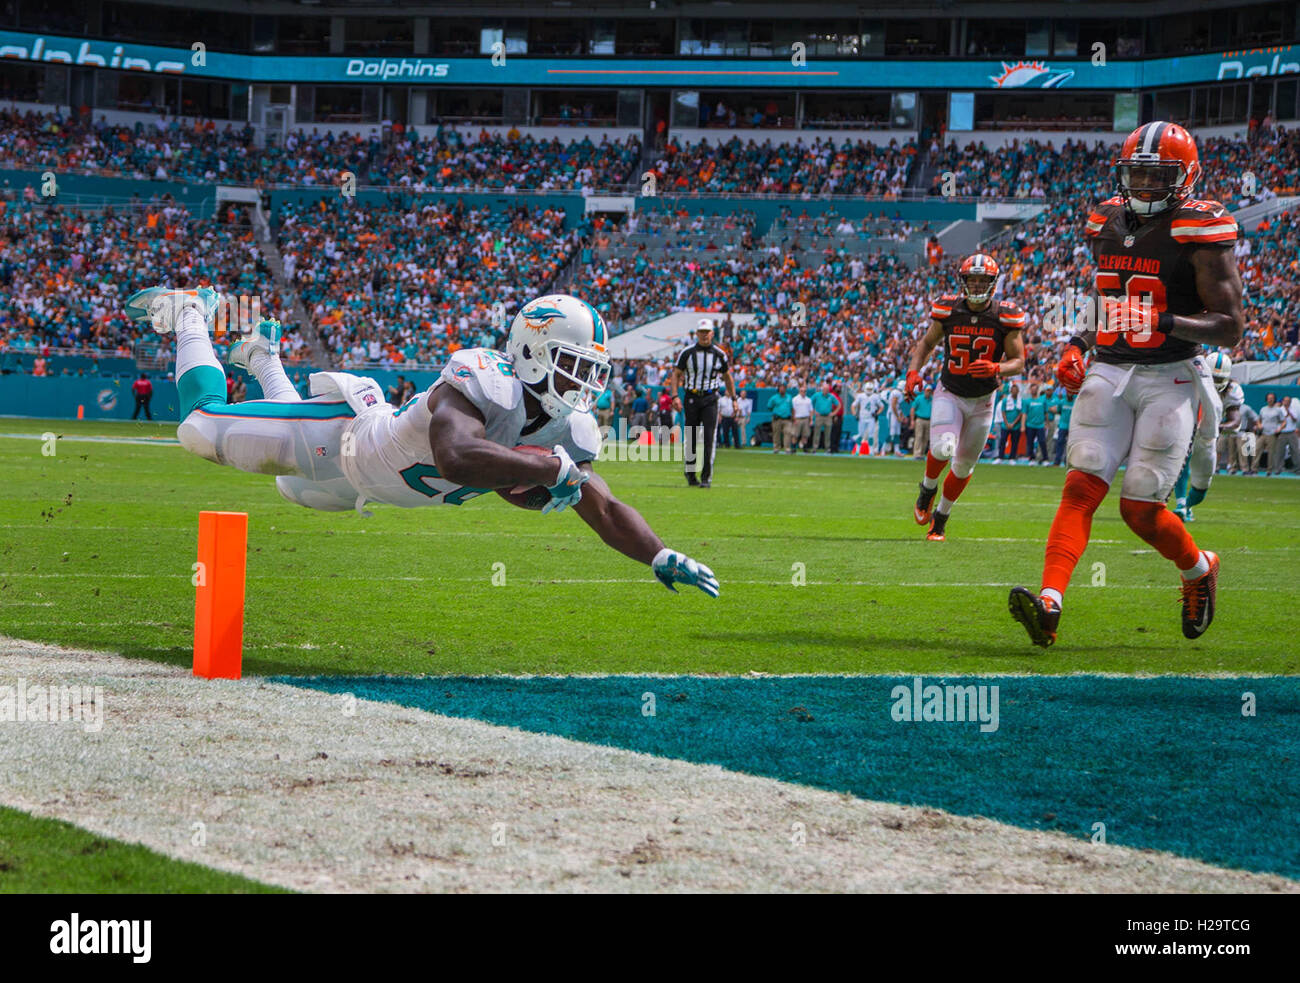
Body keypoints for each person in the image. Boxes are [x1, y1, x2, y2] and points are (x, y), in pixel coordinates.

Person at [125, 288, 718, 598]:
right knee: (199, 429)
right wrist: (543, 471)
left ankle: (262, 357)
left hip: (360, 490)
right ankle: (192, 315)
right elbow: (457, 455)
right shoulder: (484, 378)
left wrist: (659, 555)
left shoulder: (568, 430)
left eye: (592, 368)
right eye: (571, 364)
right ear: (532, 352)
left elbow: (604, 505)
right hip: (342, 439)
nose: (585, 382)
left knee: (285, 487)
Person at [1010, 121, 1242, 647]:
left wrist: (1164, 322)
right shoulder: (1105, 221)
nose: (1143, 185)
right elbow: (1107, 299)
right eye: (1136, 173)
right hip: (1111, 367)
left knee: (1139, 506)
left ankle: (1198, 568)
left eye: (1157, 176)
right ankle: (1050, 604)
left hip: (1171, 374)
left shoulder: (1201, 231)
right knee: (1081, 483)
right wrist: (1078, 342)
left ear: (1185, 177)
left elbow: (1231, 326)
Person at [906, 252, 1026, 541]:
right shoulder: (949, 310)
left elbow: (1019, 361)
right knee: (945, 447)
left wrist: (997, 367)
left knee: (963, 466)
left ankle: (941, 519)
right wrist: (913, 372)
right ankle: (927, 488)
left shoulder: (1004, 316)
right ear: (963, 281)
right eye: (971, 279)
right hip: (950, 392)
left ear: (993, 283)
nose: (975, 285)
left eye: (981, 279)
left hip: (984, 400)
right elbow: (925, 344)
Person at [670, 318, 736, 488]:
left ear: (712, 333)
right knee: (691, 437)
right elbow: (676, 374)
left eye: (707, 332)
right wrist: (675, 396)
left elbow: (728, 377)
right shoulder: (687, 353)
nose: (705, 335)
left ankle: (706, 477)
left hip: (710, 398)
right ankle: (691, 474)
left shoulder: (719, 354)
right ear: (697, 333)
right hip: (691, 397)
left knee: (709, 438)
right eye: (702, 332)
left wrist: (734, 399)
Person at [1255, 392, 1283, 474]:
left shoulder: (1278, 410)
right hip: (1263, 433)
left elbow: (1283, 421)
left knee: (1271, 453)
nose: (1270, 399)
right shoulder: (1263, 409)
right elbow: (1259, 420)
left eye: (1272, 398)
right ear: (1266, 399)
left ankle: (1269, 470)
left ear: (1274, 399)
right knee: (1257, 449)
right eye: (1269, 398)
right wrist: (1259, 425)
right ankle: (1254, 468)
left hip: (1272, 434)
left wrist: (1279, 429)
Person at [1022, 381, 1049, 464]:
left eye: (1035, 389)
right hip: (1030, 425)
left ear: (1037, 390)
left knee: (1042, 442)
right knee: (1030, 443)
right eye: (1032, 389)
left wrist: (1047, 423)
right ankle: (1032, 459)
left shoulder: (1042, 400)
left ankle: (1045, 459)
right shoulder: (1026, 401)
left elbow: (1046, 412)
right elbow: (1024, 414)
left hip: (1040, 425)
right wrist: (1022, 425)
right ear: (1030, 390)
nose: (1033, 391)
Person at [998, 382, 1024, 461]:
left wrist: (1013, 423)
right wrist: (1006, 423)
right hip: (1005, 425)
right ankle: (1000, 457)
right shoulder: (1005, 400)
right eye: (1013, 390)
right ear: (1011, 391)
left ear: (1018, 391)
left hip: (1016, 425)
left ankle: (1012, 457)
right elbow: (1003, 412)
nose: (1014, 391)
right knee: (1002, 441)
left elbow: (1021, 413)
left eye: (1016, 390)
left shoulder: (1021, 401)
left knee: (1014, 442)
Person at [768, 385, 793, 453]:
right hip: (777, 418)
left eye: (783, 388)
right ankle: (776, 448)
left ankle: (787, 448)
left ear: (785, 389)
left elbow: (792, 408)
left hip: (787, 419)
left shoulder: (789, 397)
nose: (782, 390)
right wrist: (776, 412)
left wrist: (793, 418)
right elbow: (769, 406)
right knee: (776, 434)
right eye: (781, 388)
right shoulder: (774, 398)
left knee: (788, 433)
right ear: (778, 389)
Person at [791, 382, 814, 452]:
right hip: (798, 418)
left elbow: (811, 410)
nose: (803, 392)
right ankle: (794, 448)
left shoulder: (808, 400)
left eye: (804, 391)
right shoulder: (795, 399)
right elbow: (793, 410)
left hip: (806, 418)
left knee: (805, 434)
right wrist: (794, 419)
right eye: (802, 391)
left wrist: (811, 420)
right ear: (799, 391)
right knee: (795, 434)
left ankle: (805, 448)